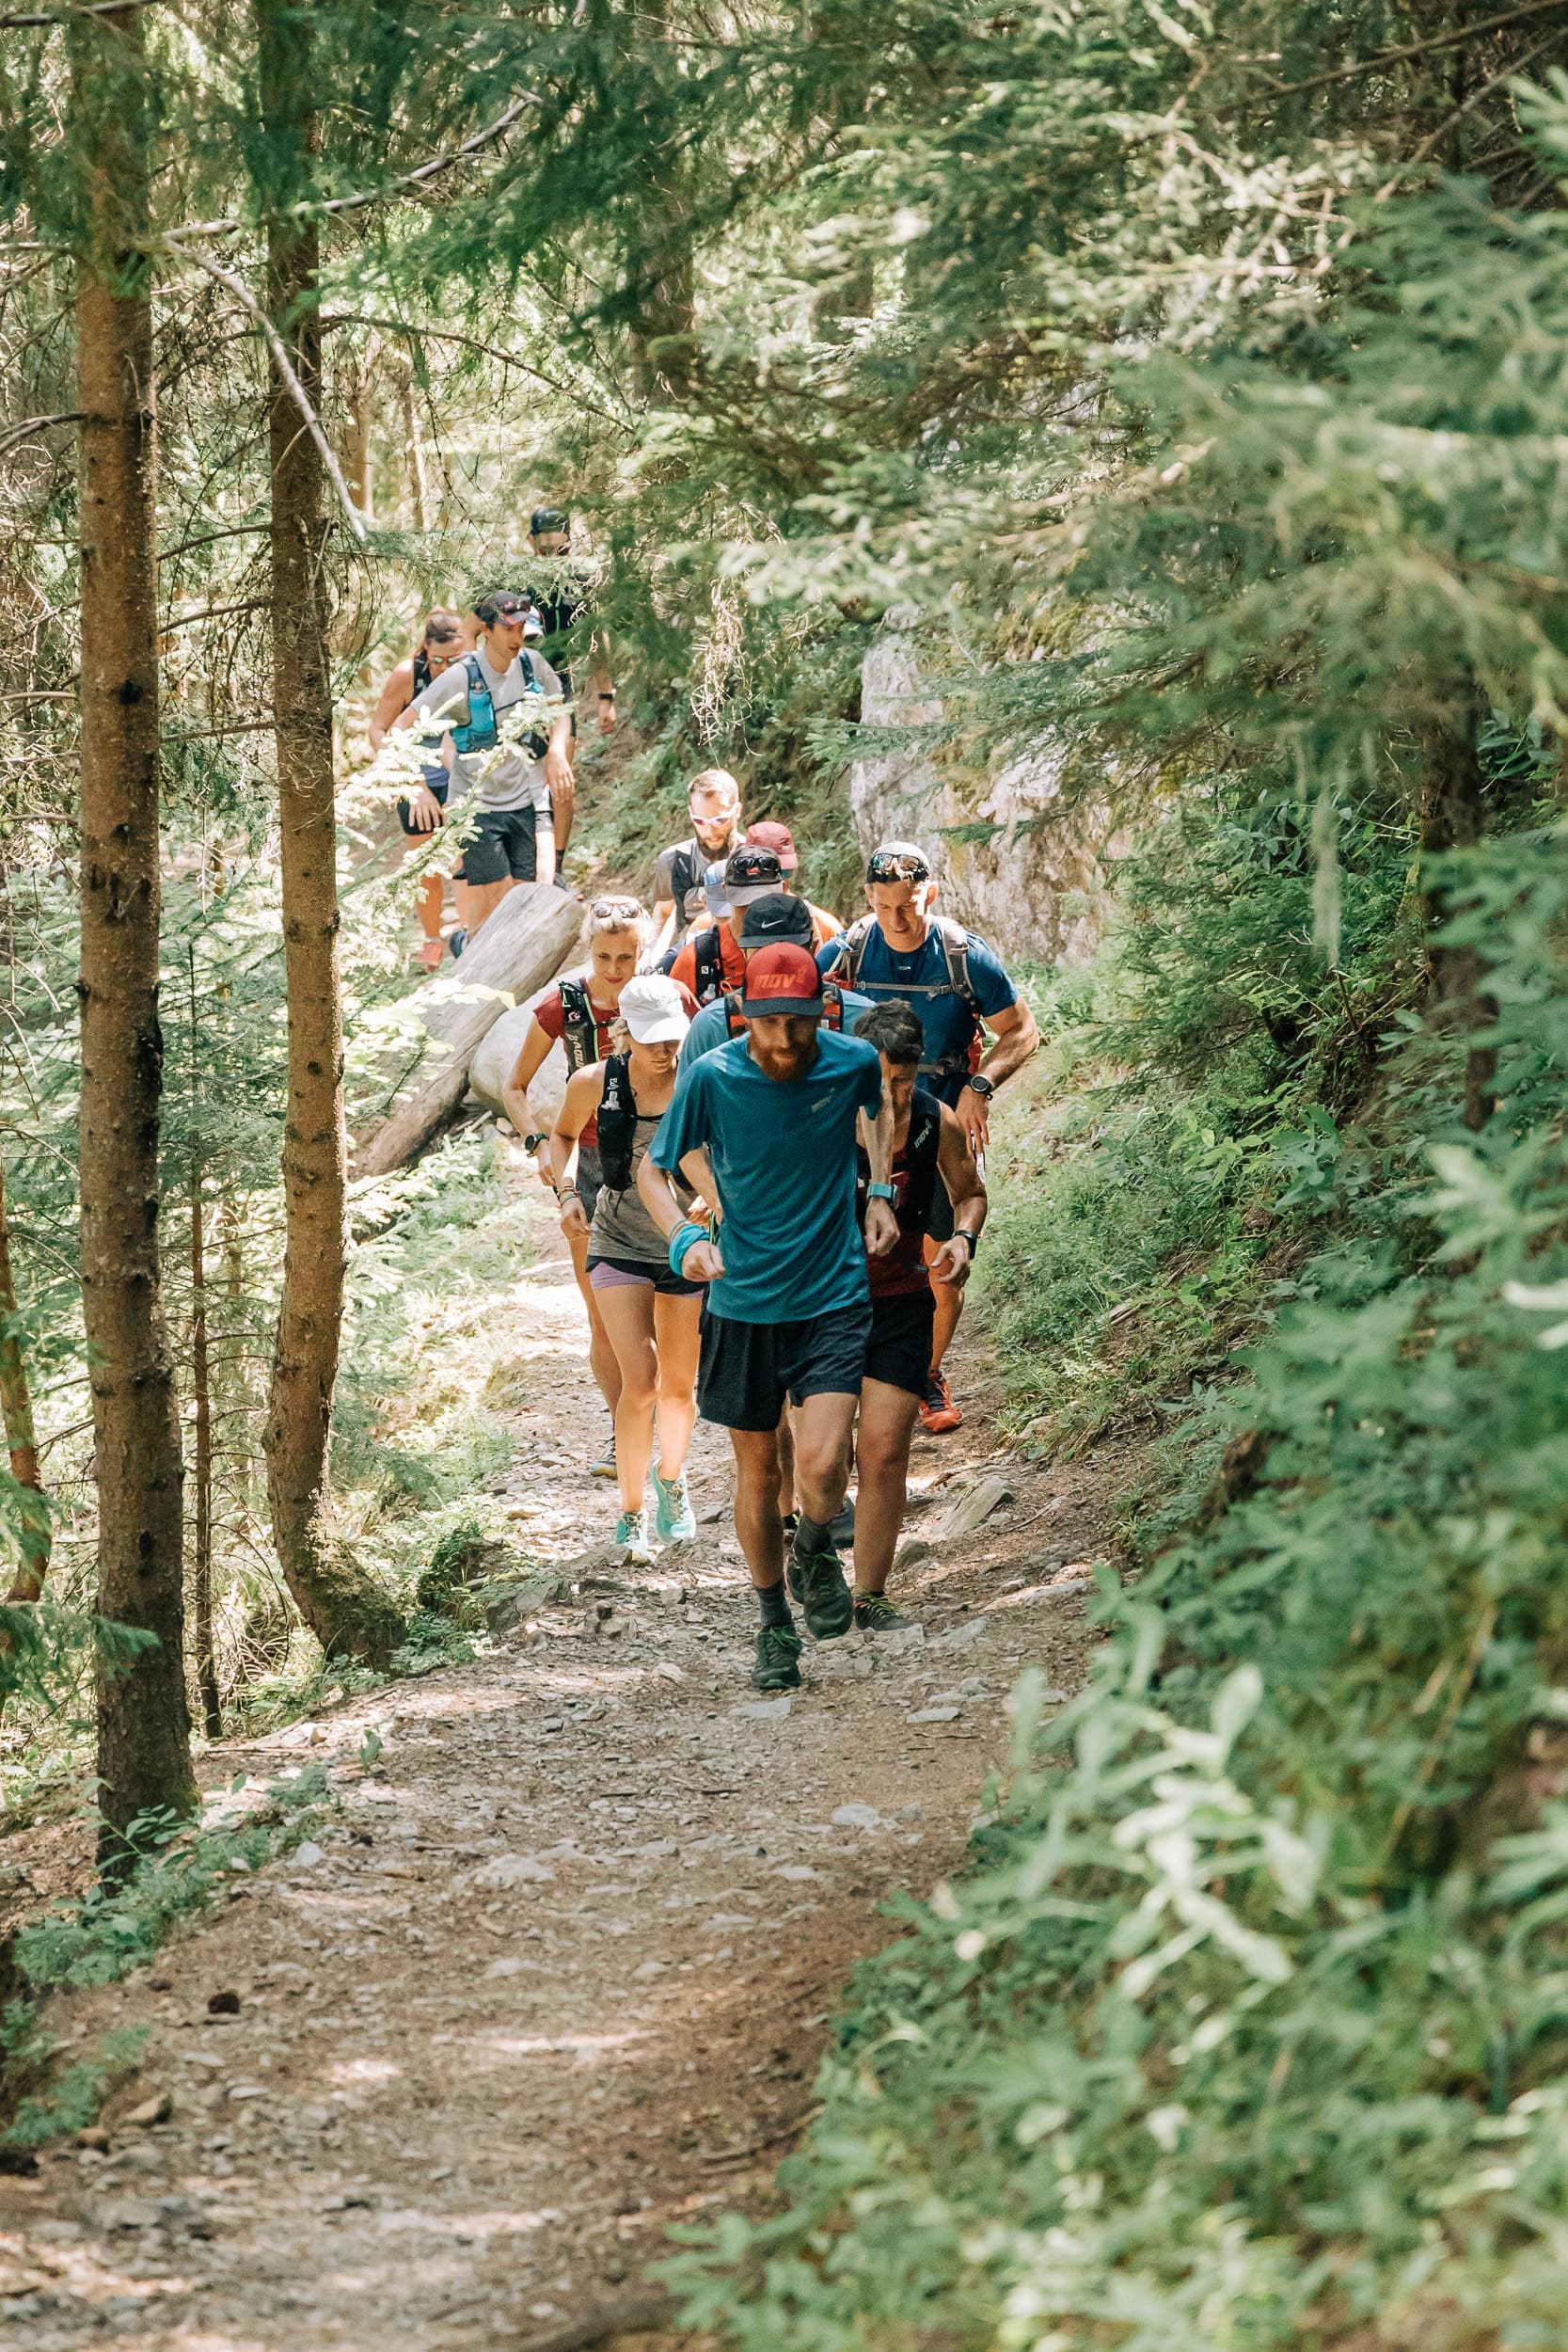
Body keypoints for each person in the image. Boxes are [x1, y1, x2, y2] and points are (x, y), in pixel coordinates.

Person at [639, 944, 898, 1693]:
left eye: (797, 1022)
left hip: (832, 1295)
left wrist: (878, 1191)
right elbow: (654, 1167)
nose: (784, 1040)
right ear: (743, 1015)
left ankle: (813, 1547)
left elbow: (876, 1109)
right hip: (743, 1303)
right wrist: (685, 1238)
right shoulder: (713, 1076)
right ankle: (771, 1626)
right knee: (760, 1470)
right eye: (768, 1023)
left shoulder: (849, 1061)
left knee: (821, 1467)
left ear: (821, 1009)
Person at [818, 840, 1038, 1434]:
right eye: (886, 906)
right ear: (868, 900)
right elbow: (800, 1016)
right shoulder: (850, 951)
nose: (900, 919)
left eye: (911, 904)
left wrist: (981, 1086)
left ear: (931, 894)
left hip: (940, 1117)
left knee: (942, 1259)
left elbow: (1021, 1031)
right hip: (864, 1117)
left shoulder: (965, 956)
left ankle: (928, 1371)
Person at [501, 898, 697, 1476]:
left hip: (667, 1151)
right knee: (604, 1310)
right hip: (589, 1158)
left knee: (672, 1298)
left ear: (645, 954)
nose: (616, 969)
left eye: (628, 956)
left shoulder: (669, 1001)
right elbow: (515, 1087)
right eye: (606, 956)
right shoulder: (564, 1005)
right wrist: (540, 1145)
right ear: (590, 952)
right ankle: (625, 1433)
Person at [546, 977, 703, 1562]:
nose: (666, 1051)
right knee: (641, 1387)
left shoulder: (698, 1080)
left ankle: (673, 1478)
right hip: (615, 1239)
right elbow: (561, 1137)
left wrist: (710, 1198)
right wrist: (566, 1193)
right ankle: (632, 1513)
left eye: (674, 1039)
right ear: (625, 1033)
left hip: (683, 1245)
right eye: (653, 1040)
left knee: (681, 1391)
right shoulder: (595, 1082)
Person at [848, 1000, 987, 1631]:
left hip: (902, 1299)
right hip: (825, 1302)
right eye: (880, 1080)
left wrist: (961, 1240)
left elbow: (971, 1195)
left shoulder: (937, 1121)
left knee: (883, 1452)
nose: (892, 1095)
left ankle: (869, 1594)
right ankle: (811, 1540)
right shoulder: (822, 1117)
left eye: (903, 1081)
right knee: (822, 1465)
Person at [395, 589, 571, 942]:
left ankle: (468, 948)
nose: (517, 637)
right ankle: (503, 975)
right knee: (510, 901)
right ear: (486, 630)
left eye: (522, 628)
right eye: (508, 629)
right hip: (474, 808)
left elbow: (560, 709)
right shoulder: (460, 677)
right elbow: (400, 728)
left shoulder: (532, 664)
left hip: (522, 802)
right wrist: (417, 787)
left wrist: (557, 751)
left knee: (517, 899)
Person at [367, 609, 465, 970]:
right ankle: (432, 937)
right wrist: (411, 780)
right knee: (425, 863)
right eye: (438, 660)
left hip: (455, 774)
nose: (444, 668)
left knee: (465, 855)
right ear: (425, 648)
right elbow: (378, 730)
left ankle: (471, 931)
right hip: (415, 776)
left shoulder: (466, 669)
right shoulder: (408, 675)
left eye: (453, 660)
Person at [522, 507, 616, 860]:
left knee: (561, 785)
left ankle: (556, 866)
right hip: (517, 691)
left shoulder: (581, 580)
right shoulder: (516, 580)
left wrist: (606, 696)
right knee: (525, 786)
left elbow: (596, 638)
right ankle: (528, 862)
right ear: (530, 542)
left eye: (560, 550)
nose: (552, 559)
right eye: (544, 551)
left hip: (560, 687)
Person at [667, 842, 842, 1005]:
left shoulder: (805, 940)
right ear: (725, 891)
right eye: (745, 903)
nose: (755, 912)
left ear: (784, 888)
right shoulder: (697, 958)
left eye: (764, 902)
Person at [650, 771, 744, 957]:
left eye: (720, 820)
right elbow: (664, 914)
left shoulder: (754, 860)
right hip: (690, 957)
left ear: (737, 811)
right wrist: (652, 958)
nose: (709, 830)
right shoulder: (673, 862)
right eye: (699, 821)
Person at [741, 820, 843, 946]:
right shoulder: (725, 926)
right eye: (770, 873)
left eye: (785, 872)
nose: (781, 881)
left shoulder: (823, 927)